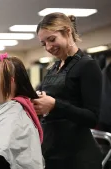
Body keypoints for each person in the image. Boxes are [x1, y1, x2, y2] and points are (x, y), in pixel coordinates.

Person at [32, 12, 103, 169]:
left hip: (77, 157)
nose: (49, 47)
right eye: (44, 44)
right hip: (52, 151)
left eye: (52, 39)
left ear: (67, 31)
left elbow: (92, 118)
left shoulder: (87, 66)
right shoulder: (53, 69)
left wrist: (55, 105)